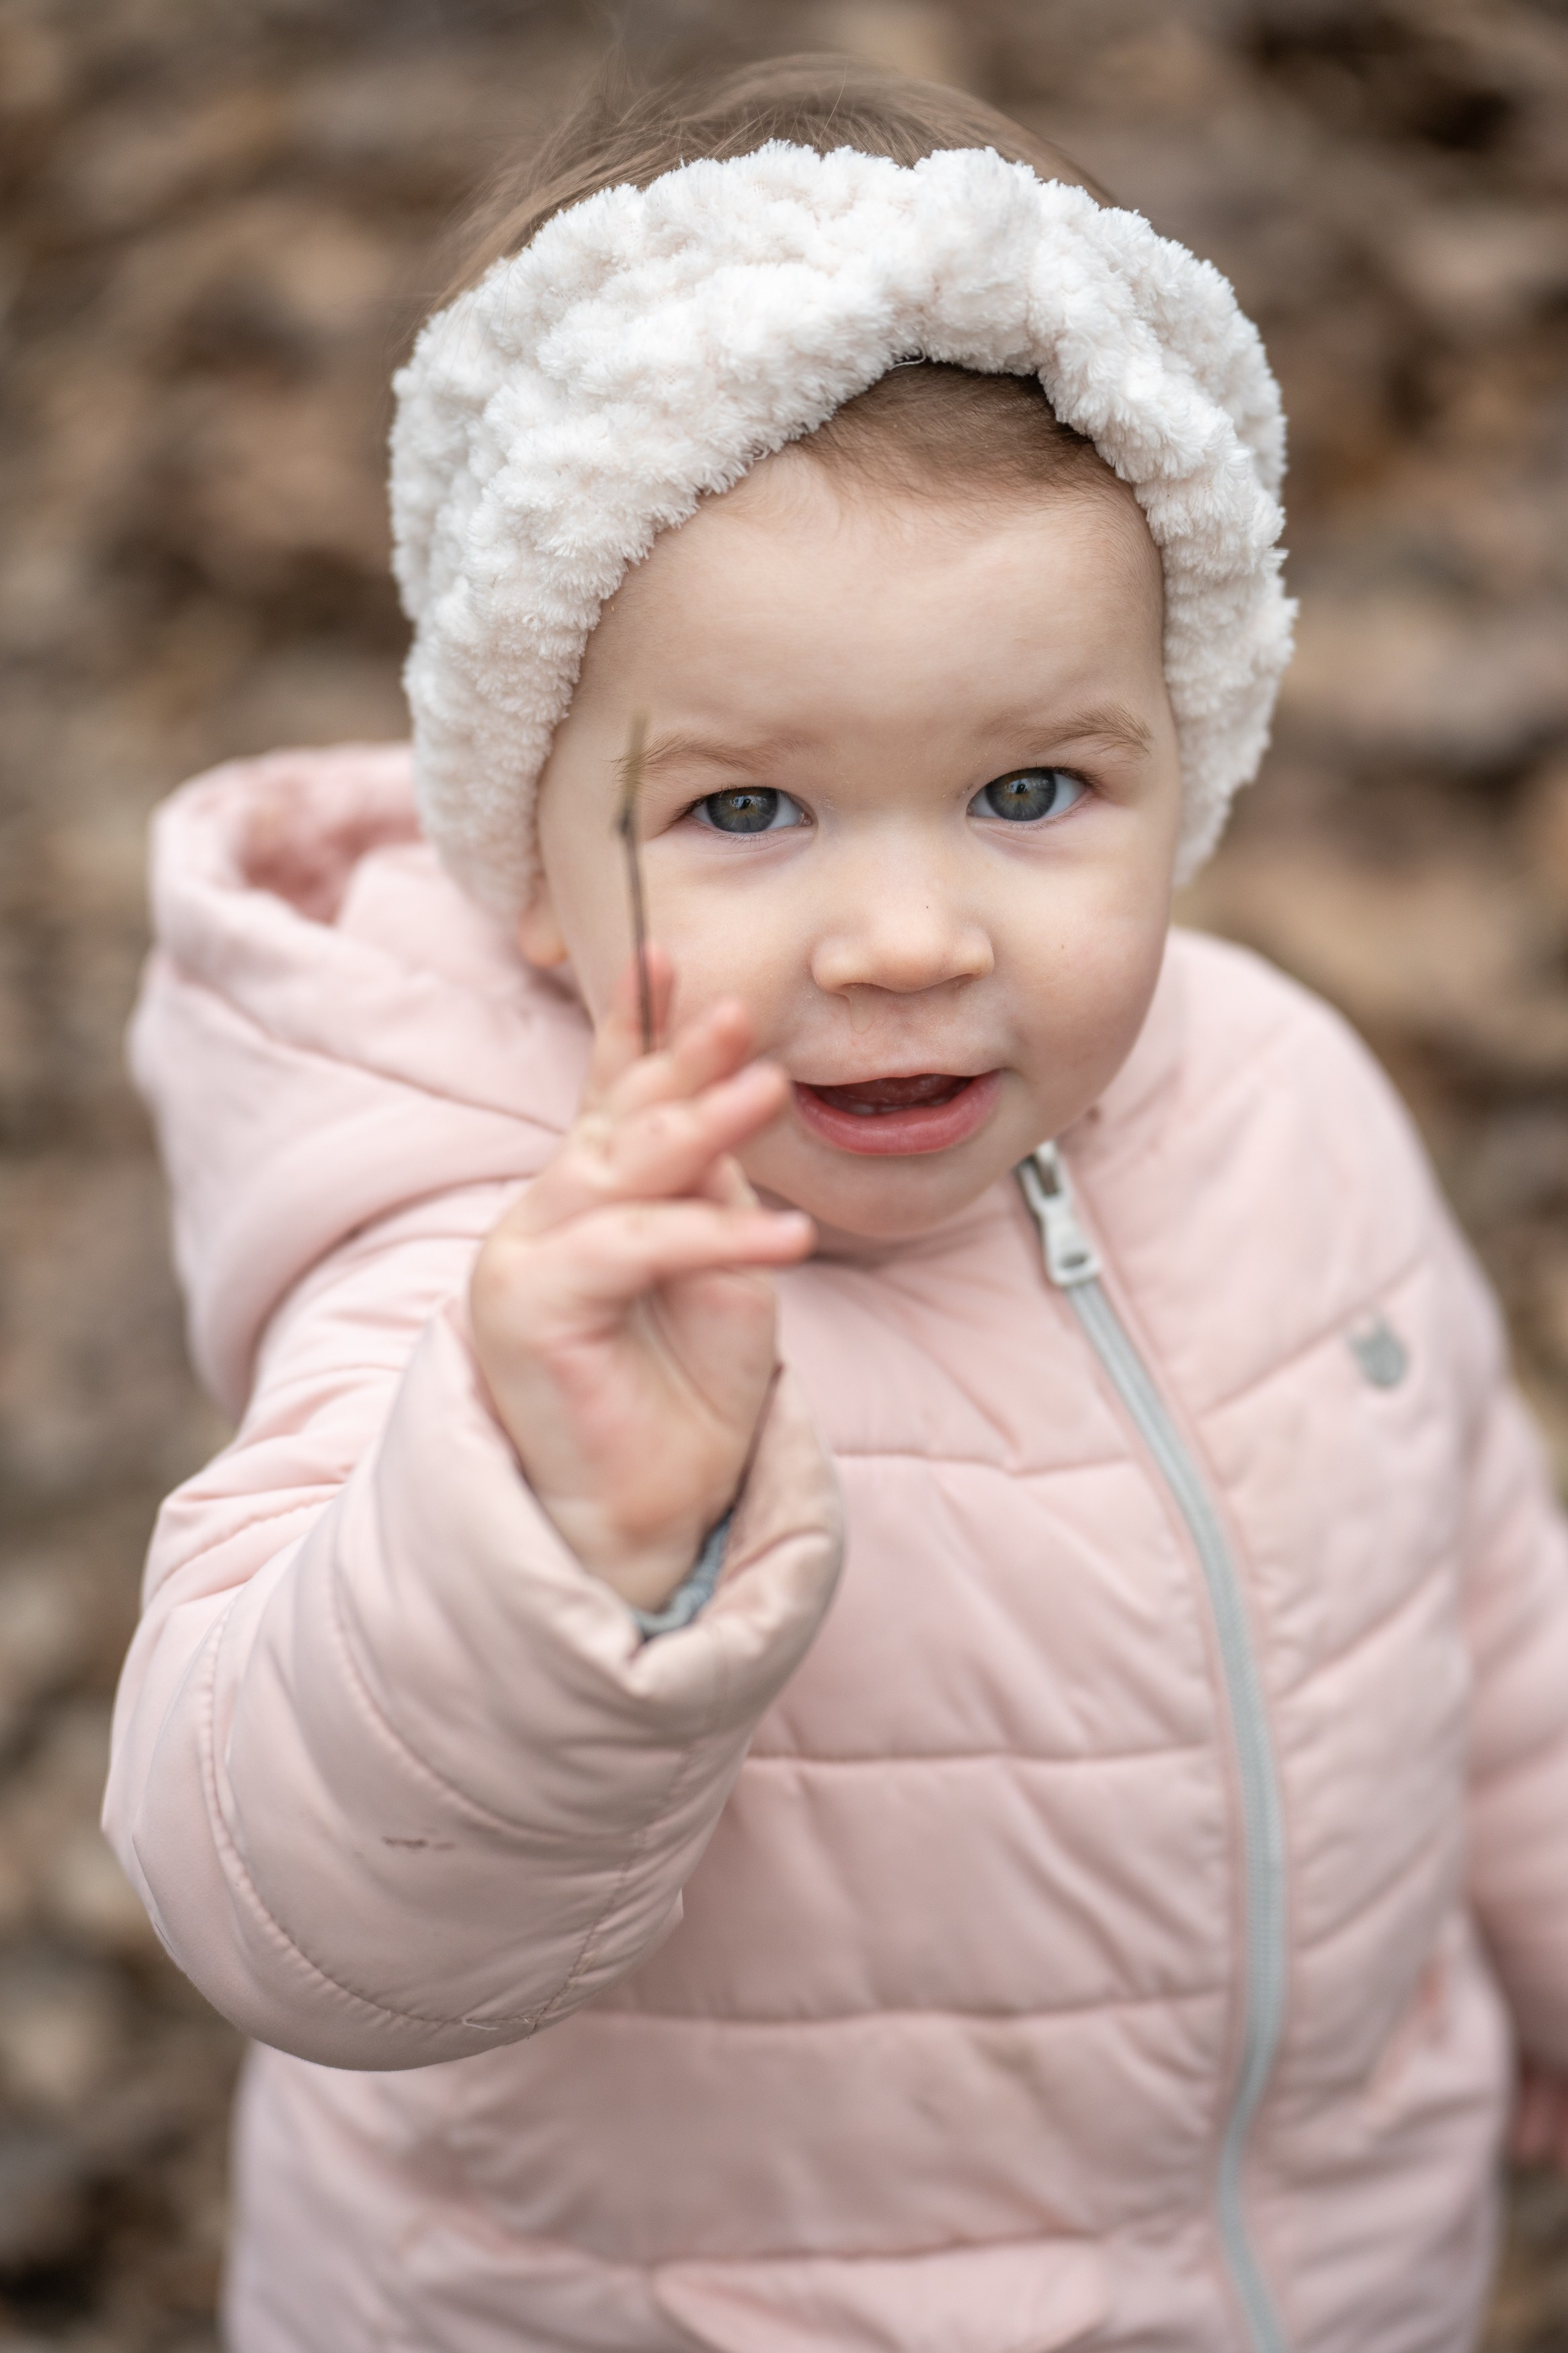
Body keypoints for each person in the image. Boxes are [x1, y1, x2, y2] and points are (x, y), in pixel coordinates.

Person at [106, 53, 1568, 2353]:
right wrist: (549, 1544)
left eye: (1026, 786)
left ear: (1183, 758)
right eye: (751, 811)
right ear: (529, 856)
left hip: (1326, 2268)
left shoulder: (1275, 1091)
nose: (907, 937)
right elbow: (297, 1911)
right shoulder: (510, 1291)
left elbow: (1476, 1584)